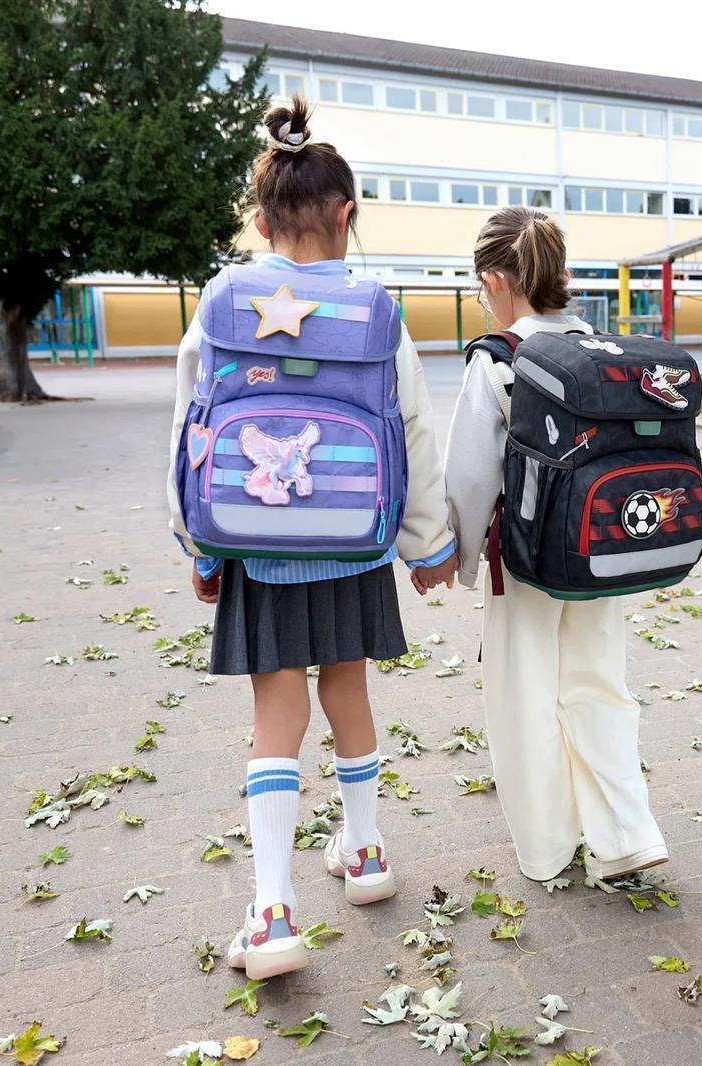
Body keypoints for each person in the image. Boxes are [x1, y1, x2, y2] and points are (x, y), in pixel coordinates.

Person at [166, 96, 457, 979]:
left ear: (260, 221)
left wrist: (199, 545)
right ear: (346, 214)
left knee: (275, 716)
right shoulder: (375, 310)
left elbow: (190, 428)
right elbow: (412, 429)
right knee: (349, 694)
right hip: (354, 539)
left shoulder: (221, 302)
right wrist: (427, 543)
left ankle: (273, 910)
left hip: (256, 542)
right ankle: (364, 853)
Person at [444, 207, 667, 883]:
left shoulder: (501, 359)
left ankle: (547, 849)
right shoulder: (599, 353)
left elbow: (468, 476)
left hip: (526, 562)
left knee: (525, 696)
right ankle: (624, 833)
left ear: (493, 279)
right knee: (600, 684)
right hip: (601, 554)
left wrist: (455, 561)